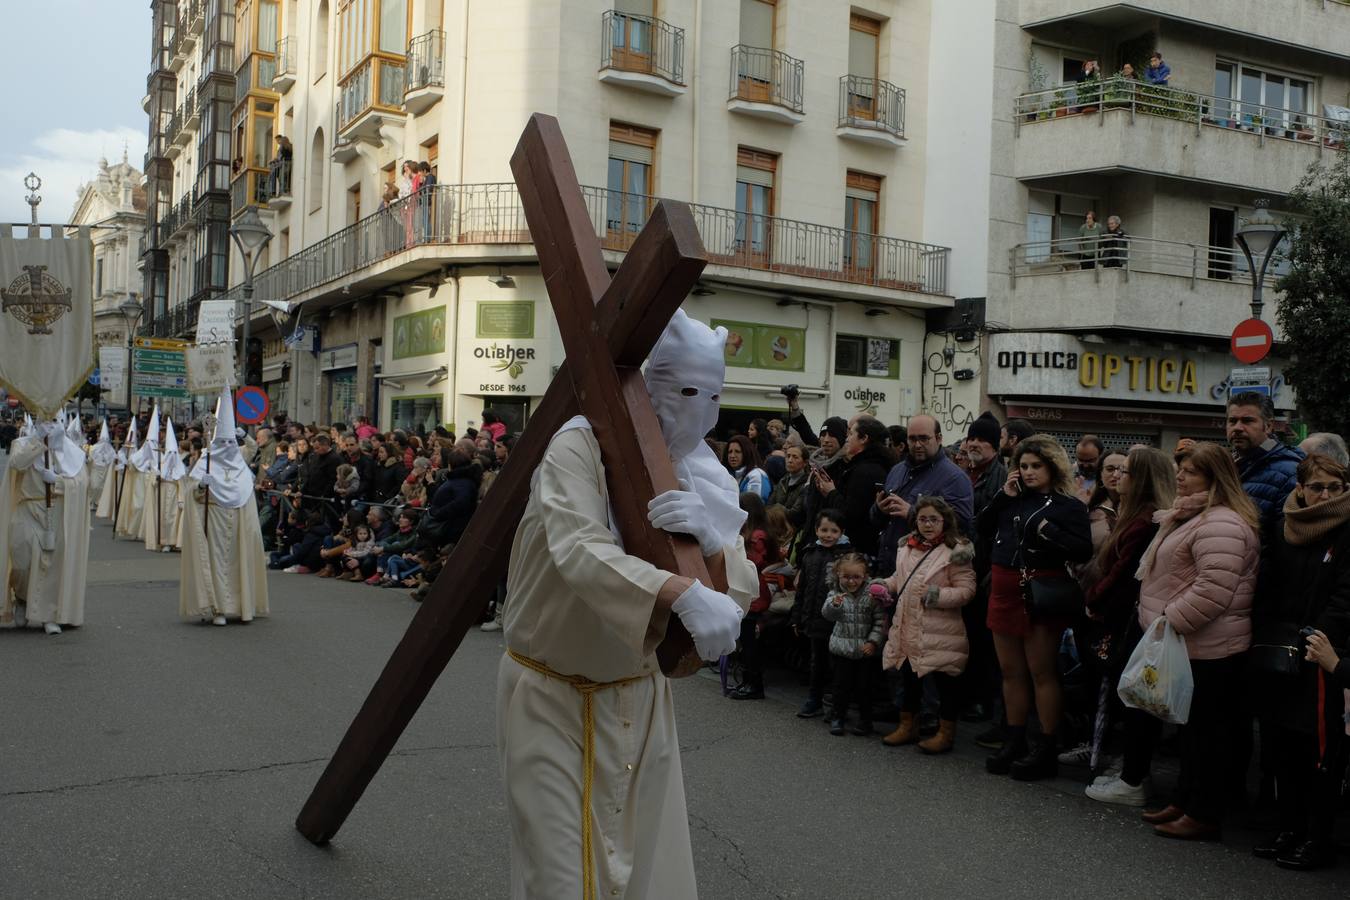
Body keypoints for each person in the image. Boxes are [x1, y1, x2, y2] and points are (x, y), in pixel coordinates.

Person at [495, 310, 756, 900]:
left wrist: (712, 548)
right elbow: (578, 547)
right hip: (551, 696)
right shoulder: (577, 446)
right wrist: (677, 591)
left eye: (713, 394)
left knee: (642, 877)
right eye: (685, 390)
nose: (699, 408)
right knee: (562, 877)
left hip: (639, 701)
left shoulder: (702, 471)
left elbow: (738, 583)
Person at [1124, 443, 1260, 841]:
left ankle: (1203, 812)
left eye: (1191, 472)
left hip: (1208, 647)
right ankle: (1184, 800)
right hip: (1190, 645)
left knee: (1208, 735)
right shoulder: (1192, 516)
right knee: (1193, 732)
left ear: (1214, 479)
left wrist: (1169, 622)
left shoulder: (1222, 524)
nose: (1180, 476)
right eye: (1179, 469)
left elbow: (1213, 590)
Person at [1251, 454, 1350, 870]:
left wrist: (1315, 641)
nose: (1324, 494)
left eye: (1333, 487)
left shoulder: (1348, 532)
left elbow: (1345, 598)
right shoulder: (1284, 526)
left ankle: (1317, 837)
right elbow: (1268, 583)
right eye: (1316, 487)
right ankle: (1288, 828)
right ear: (1300, 488)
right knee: (1280, 747)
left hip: (1322, 655)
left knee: (1320, 753)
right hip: (1279, 650)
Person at [979, 435, 1093, 781]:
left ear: (1052, 467)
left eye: (1035, 466)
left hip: (1041, 589)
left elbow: (1082, 551)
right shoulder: (1010, 499)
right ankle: (1014, 739)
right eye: (1023, 466)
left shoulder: (1068, 506)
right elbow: (980, 528)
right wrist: (1002, 497)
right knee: (1010, 671)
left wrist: (1047, 530)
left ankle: (1045, 745)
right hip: (1003, 585)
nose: (1028, 472)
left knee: (1041, 671)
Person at [1078, 448, 1176, 795]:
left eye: (1127, 471)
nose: (1118, 476)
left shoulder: (1145, 520)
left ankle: (1133, 778)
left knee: (1135, 701)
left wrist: (1094, 599)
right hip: (1127, 616)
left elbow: (1123, 575)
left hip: (1133, 619)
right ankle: (1131, 771)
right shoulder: (1133, 513)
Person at [880, 496, 977, 753]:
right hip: (909, 625)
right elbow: (899, 578)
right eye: (923, 519)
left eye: (934, 519)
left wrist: (937, 595)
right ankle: (908, 726)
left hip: (942, 631)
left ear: (944, 520)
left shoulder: (956, 550)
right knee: (910, 677)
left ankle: (945, 733)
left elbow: (967, 590)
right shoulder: (908, 547)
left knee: (946, 682)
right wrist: (884, 585)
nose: (928, 524)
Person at [179, 388, 270, 626]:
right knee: (217, 563)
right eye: (225, 441)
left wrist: (245, 435)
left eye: (232, 442)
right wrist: (200, 485)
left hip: (240, 521)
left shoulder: (239, 460)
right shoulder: (206, 460)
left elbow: (251, 449)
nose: (229, 445)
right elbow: (193, 493)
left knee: (240, 562)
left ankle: (242, 607)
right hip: (215, 519)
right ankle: (218, 608)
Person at [0, 418, 91, 634]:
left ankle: (47, 615)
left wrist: (58, 481)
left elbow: (82, 484)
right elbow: (17, 463)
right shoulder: (22, 444)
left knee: (50, 564)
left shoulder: (72, 453)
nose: (50, 427)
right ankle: (21, 598)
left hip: (56, 512)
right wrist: (38, 442)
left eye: (54, 422)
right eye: (45, 422)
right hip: (27, 509)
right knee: (22, 559)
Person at [871, 414, 974, 579]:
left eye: (924, 438)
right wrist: (879, 509)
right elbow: (877, 522)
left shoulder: (955, 478)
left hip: (924, 575)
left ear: (939, 438)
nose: (917, 444)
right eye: (912, 439)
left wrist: (912, 513)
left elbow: (962, 524)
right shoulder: (897, 471)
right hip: (888, 568)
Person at [962, 412, 1008, 728]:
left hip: (987, 567)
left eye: (982, 440)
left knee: (985, 641)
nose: (975, 444)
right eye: (972, 438)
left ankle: (984, 702)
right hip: (963, 565)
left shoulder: (1001, 478)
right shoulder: (964, 473)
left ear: (994, 445)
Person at [789, 509, 853, 718]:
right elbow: (803, 590)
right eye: (823, 529)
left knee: (838, 666)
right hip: (814, 619)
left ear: (841, 532)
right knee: (817, 662)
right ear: (816, 530)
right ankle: (814, 699)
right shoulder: (809, 553)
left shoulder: (847, 556)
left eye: (833, 531)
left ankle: (836, 704)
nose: (828, 535)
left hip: (838, 622)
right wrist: (797, 617)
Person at [822, 552, 888, 736]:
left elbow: (880, 621)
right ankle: (838, 717)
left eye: (856, 577)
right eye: (846, 577)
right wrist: (834, 605)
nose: (851, 582)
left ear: (865, 576)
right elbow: (827, 615)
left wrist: (873, 642)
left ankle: (865, 721)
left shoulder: (872, 595)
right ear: (838, 576)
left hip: (864, 650)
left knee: (864, 689)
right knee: (840, 687)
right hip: (841, 650)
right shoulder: (835, 592)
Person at [813, 415, 894, 560]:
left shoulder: (865, 471)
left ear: (864, 439)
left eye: (851, 434)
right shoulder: (872, 465)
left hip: (857, 552)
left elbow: (850, 515)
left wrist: (831, 492)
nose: (847, 439)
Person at [728, 492, 781, 701]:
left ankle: (754, 684)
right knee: (745, 639)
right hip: (751, 589)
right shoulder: (751, 532)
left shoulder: (756, 535)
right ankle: (747, 680)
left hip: (755, 592)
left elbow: (754, 561)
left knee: (750, 642)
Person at [1085, 450, 1126, 552]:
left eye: (1122, 470)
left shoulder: (1139, 509)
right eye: (1110, 469)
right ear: (1100, 474)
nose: (1116, 474)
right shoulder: (1088, 507)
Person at [767, 443, 810, 526]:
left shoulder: (806, 484)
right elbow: (769, 505)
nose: (790, 460)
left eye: (795, 457)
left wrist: (777, 507)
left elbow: (795, 514)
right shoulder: (783, 480)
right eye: (788, 456)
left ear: (805, 463)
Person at [723, 434, 770, 501]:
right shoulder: (729, 474)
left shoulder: (756, 475)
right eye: (730, 452)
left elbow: (751, 506)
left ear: (747, 452)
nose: (732, 455)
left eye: (737, 452)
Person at [1074, 435, 1104, 503]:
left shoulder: (1107, 477)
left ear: (1101, 456)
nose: (1085, 465)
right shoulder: (1067, 476)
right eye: (1081, 460)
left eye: (1090, 461)